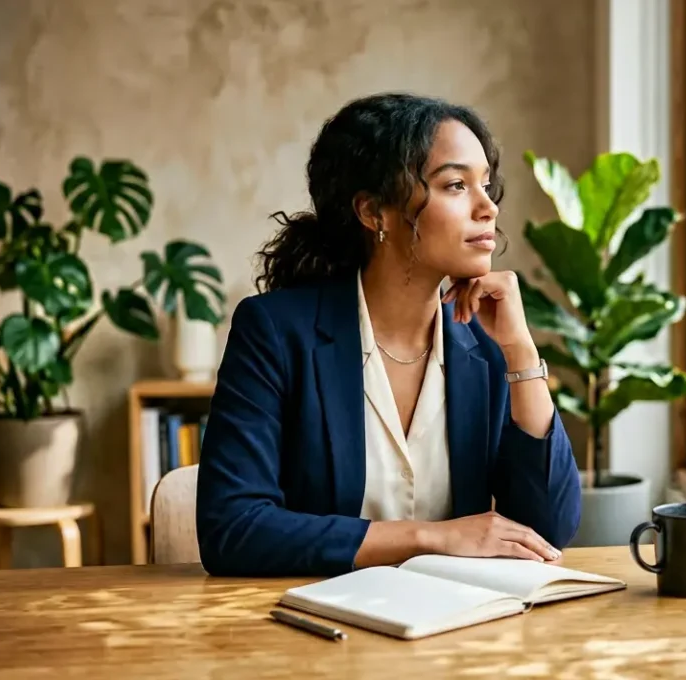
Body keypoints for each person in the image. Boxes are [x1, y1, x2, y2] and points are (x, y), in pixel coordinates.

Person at [195, 93, 581, 577]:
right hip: (315, 614)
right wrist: (430, 538)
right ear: (374, 212)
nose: (488, 208)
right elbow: (232, 528)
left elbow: (548, 529)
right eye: (456, 185)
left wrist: (521, 354)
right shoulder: (274, 332)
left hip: (459, 615)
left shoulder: (487, 345)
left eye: (486, 185)